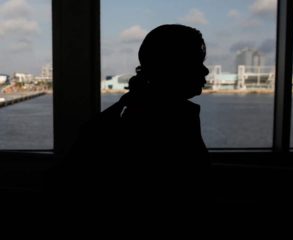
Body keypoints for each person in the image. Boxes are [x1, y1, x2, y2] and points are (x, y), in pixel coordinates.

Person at [50, 24, 210, 201]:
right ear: (172, 68)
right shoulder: (174, 117)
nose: (205, 70)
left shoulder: (130, 108)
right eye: (196, 63)